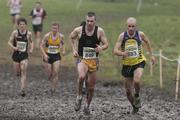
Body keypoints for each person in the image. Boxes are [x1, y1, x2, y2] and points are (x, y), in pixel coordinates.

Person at [113, 17, 156, 113]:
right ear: (126, 26)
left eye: (133, 26)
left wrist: (151, 56)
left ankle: (137, 95)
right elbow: (115, 50)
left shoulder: (140, 34)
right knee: (128, 92)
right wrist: (122, 53)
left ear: (136, 26)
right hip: (127, 64)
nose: (131, 28)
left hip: (139, 61)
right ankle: (134, 106)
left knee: (137, 80)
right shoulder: (122, 36)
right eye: (129, 26)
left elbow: (147, 42)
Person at [69, 12, 108, 115]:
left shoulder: (99, 31)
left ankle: (87, 106)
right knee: (81, 76)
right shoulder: (79, 30)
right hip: (82, 58)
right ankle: (79, 97)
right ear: (85, 20)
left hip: (94, 61)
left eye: (91, 21)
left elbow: (106, 44)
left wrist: (101, 48)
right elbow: (71, 37)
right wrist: (73, 50)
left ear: (95, 21)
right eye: (88, 21)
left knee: (91, 87)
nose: (89, 23)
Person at [8, 17, 34, 97]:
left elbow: (31, 42)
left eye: (23, 24)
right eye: (20, 24)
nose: (22, 26)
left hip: (24, 55)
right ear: (18, 25)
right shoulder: (15, 33)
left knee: (23, 71)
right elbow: (9, 42)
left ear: (26, 25)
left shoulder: (28, 33)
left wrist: (31, 49)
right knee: (17, 72)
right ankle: (18, 73)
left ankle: (22, 89)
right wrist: (14, 48)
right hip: (16, 55)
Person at [40, 22, 65, 95]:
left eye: (56, 28)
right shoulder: (47, 36)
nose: (54, 29)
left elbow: (63, 44)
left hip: (56, 55)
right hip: (48, 55)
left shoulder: (61, 36)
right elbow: (41, 45)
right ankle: (50, 75)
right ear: (51, 28)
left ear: (58, 29)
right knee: (49, 72)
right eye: (53, 28)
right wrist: (44, 54)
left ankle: (53, 89)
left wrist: (63, 50)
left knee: (56, 72)